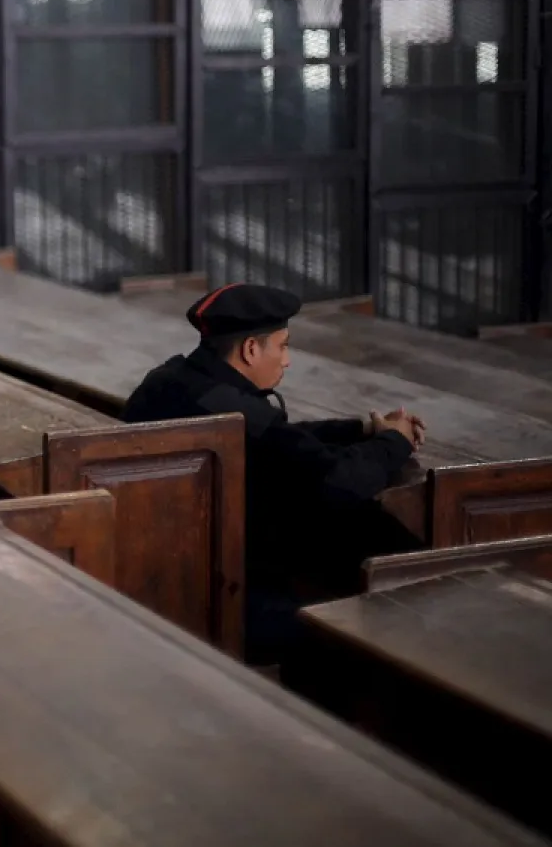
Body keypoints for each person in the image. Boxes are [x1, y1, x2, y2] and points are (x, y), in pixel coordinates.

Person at [122, 283, 426, 665]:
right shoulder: (233, 413)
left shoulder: (174, 379)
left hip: (161, 574)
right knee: (379, 572)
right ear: (251, 349)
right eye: (283, 346)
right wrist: (395, 442)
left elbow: (282, 439)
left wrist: (360, 431)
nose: (287, 360)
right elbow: (339, 481)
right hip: (222, 598)